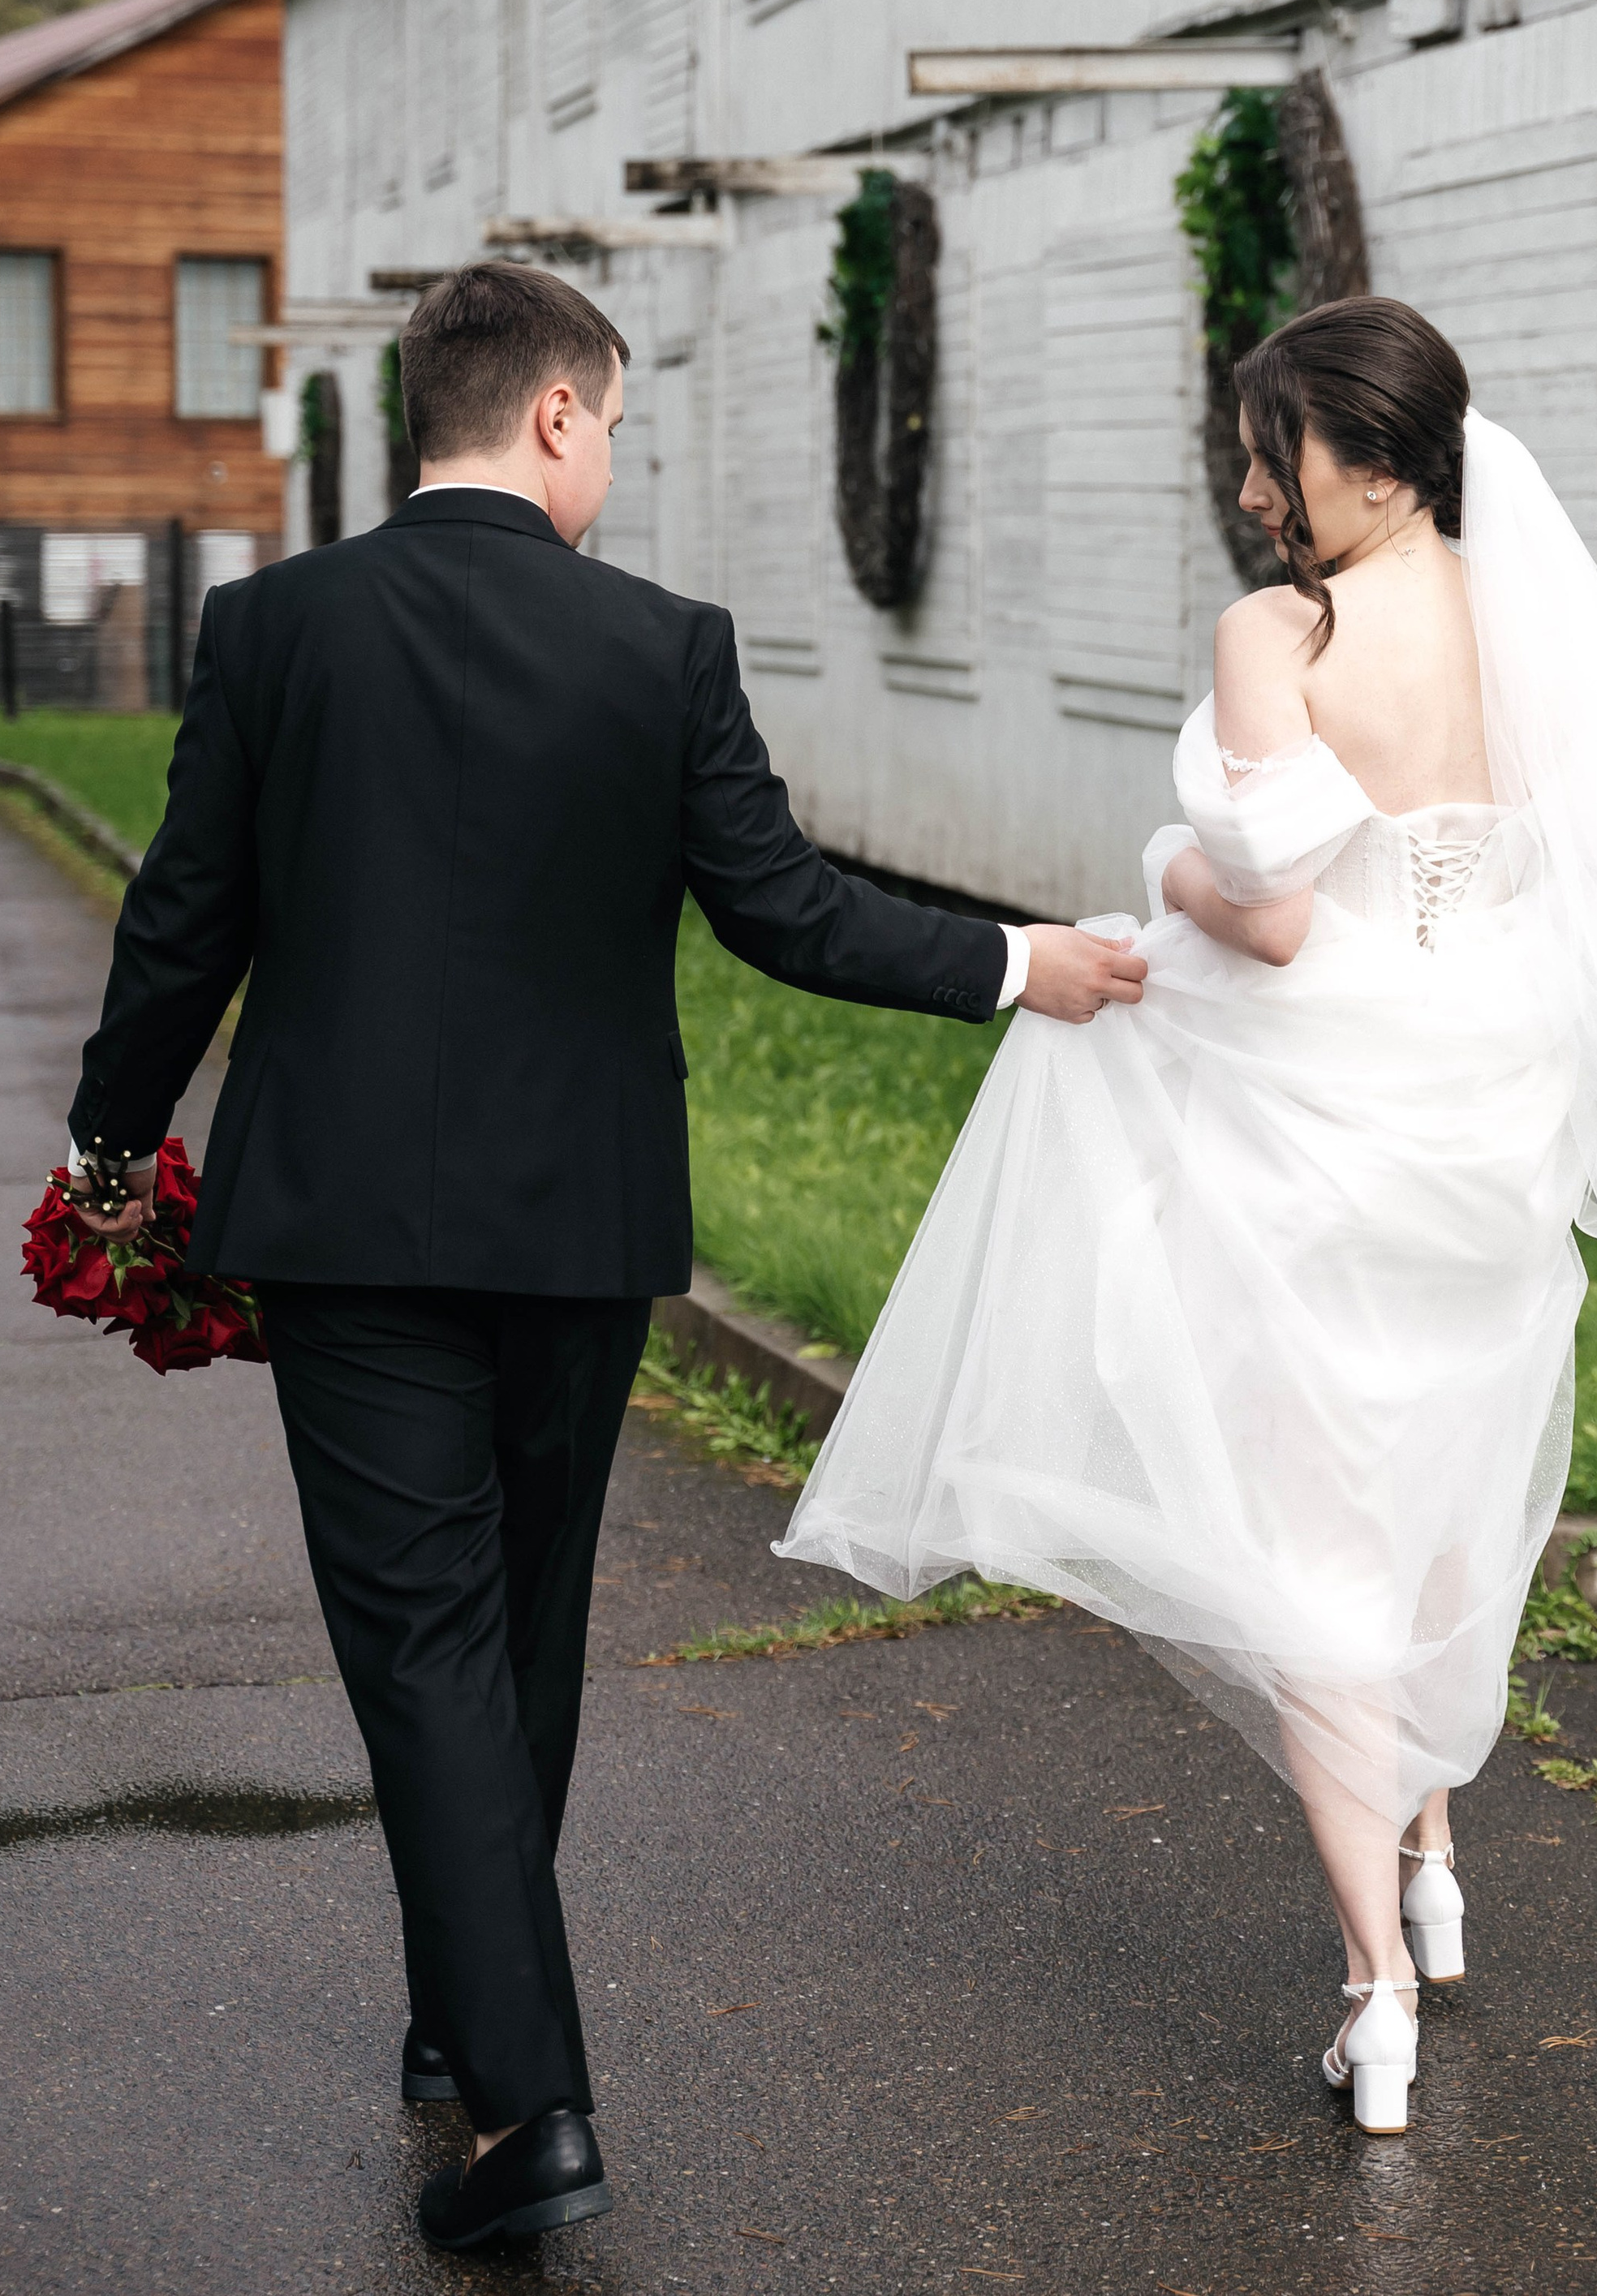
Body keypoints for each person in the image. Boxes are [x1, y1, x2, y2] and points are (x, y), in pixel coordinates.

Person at [61, 260, 1144, 2250]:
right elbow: (788, 911)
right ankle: (469, 2020)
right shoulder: (662, 648)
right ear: (555, 413)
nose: (615, 458)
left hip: (354, 1234)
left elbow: (182, 919)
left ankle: (528, 2108)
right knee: (520, 1635)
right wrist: (1018, 966)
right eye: (619, 424)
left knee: (424, 1646)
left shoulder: (276, 628)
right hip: (581, 1234)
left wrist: (115, 1142)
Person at [776, 294, 1597, 2137]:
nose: (1246, 487)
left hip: (1316, 1129)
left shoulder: (1276, 633)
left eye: (1266, 449)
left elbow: (1276, 914)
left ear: (1364, 460)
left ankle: (1373, 1985)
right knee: (1438, 1483)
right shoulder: (1525, 616)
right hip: (1485, 1118)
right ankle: (1437, 1868)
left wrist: (1155, 867)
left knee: (1313, 1537)